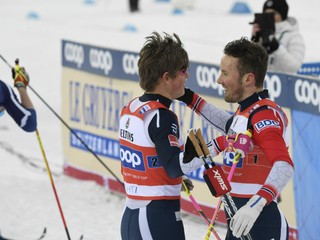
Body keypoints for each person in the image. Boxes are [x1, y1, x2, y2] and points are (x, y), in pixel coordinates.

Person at [118, 32, 251, 240]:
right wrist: (220, 144)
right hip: (157, 217)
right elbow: (173, 166)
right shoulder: (162, 116)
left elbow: (147, 159)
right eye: (182, 71)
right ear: (166, 77)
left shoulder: (133, 107)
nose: (187, 76)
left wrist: (174, 179)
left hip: (135, 214)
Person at [178, 37, 294, 239]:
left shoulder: (264, 115)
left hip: (261, 222)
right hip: (237, 218)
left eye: (225, 73)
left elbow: (284, 165)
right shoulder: (246, 112)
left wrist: (255, 205)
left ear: (248, 79)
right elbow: (227, 124)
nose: (219, 80)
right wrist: (188, 97)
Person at [250, 0, 305, 74]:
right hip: (264, 82)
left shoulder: (294, 36)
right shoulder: (261, 33)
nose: (270, 17)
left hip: (285, 82)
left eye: (273, 13)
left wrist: (276, 48)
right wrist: (254, 40)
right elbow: (250, 65)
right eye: (266, 14)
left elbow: (294, 66)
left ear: (282, 15)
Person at [0, 64, 37, 132]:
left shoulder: (4, 90)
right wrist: (21, 86)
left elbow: (29, 123)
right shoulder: (4, 90)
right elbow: (29, 122)